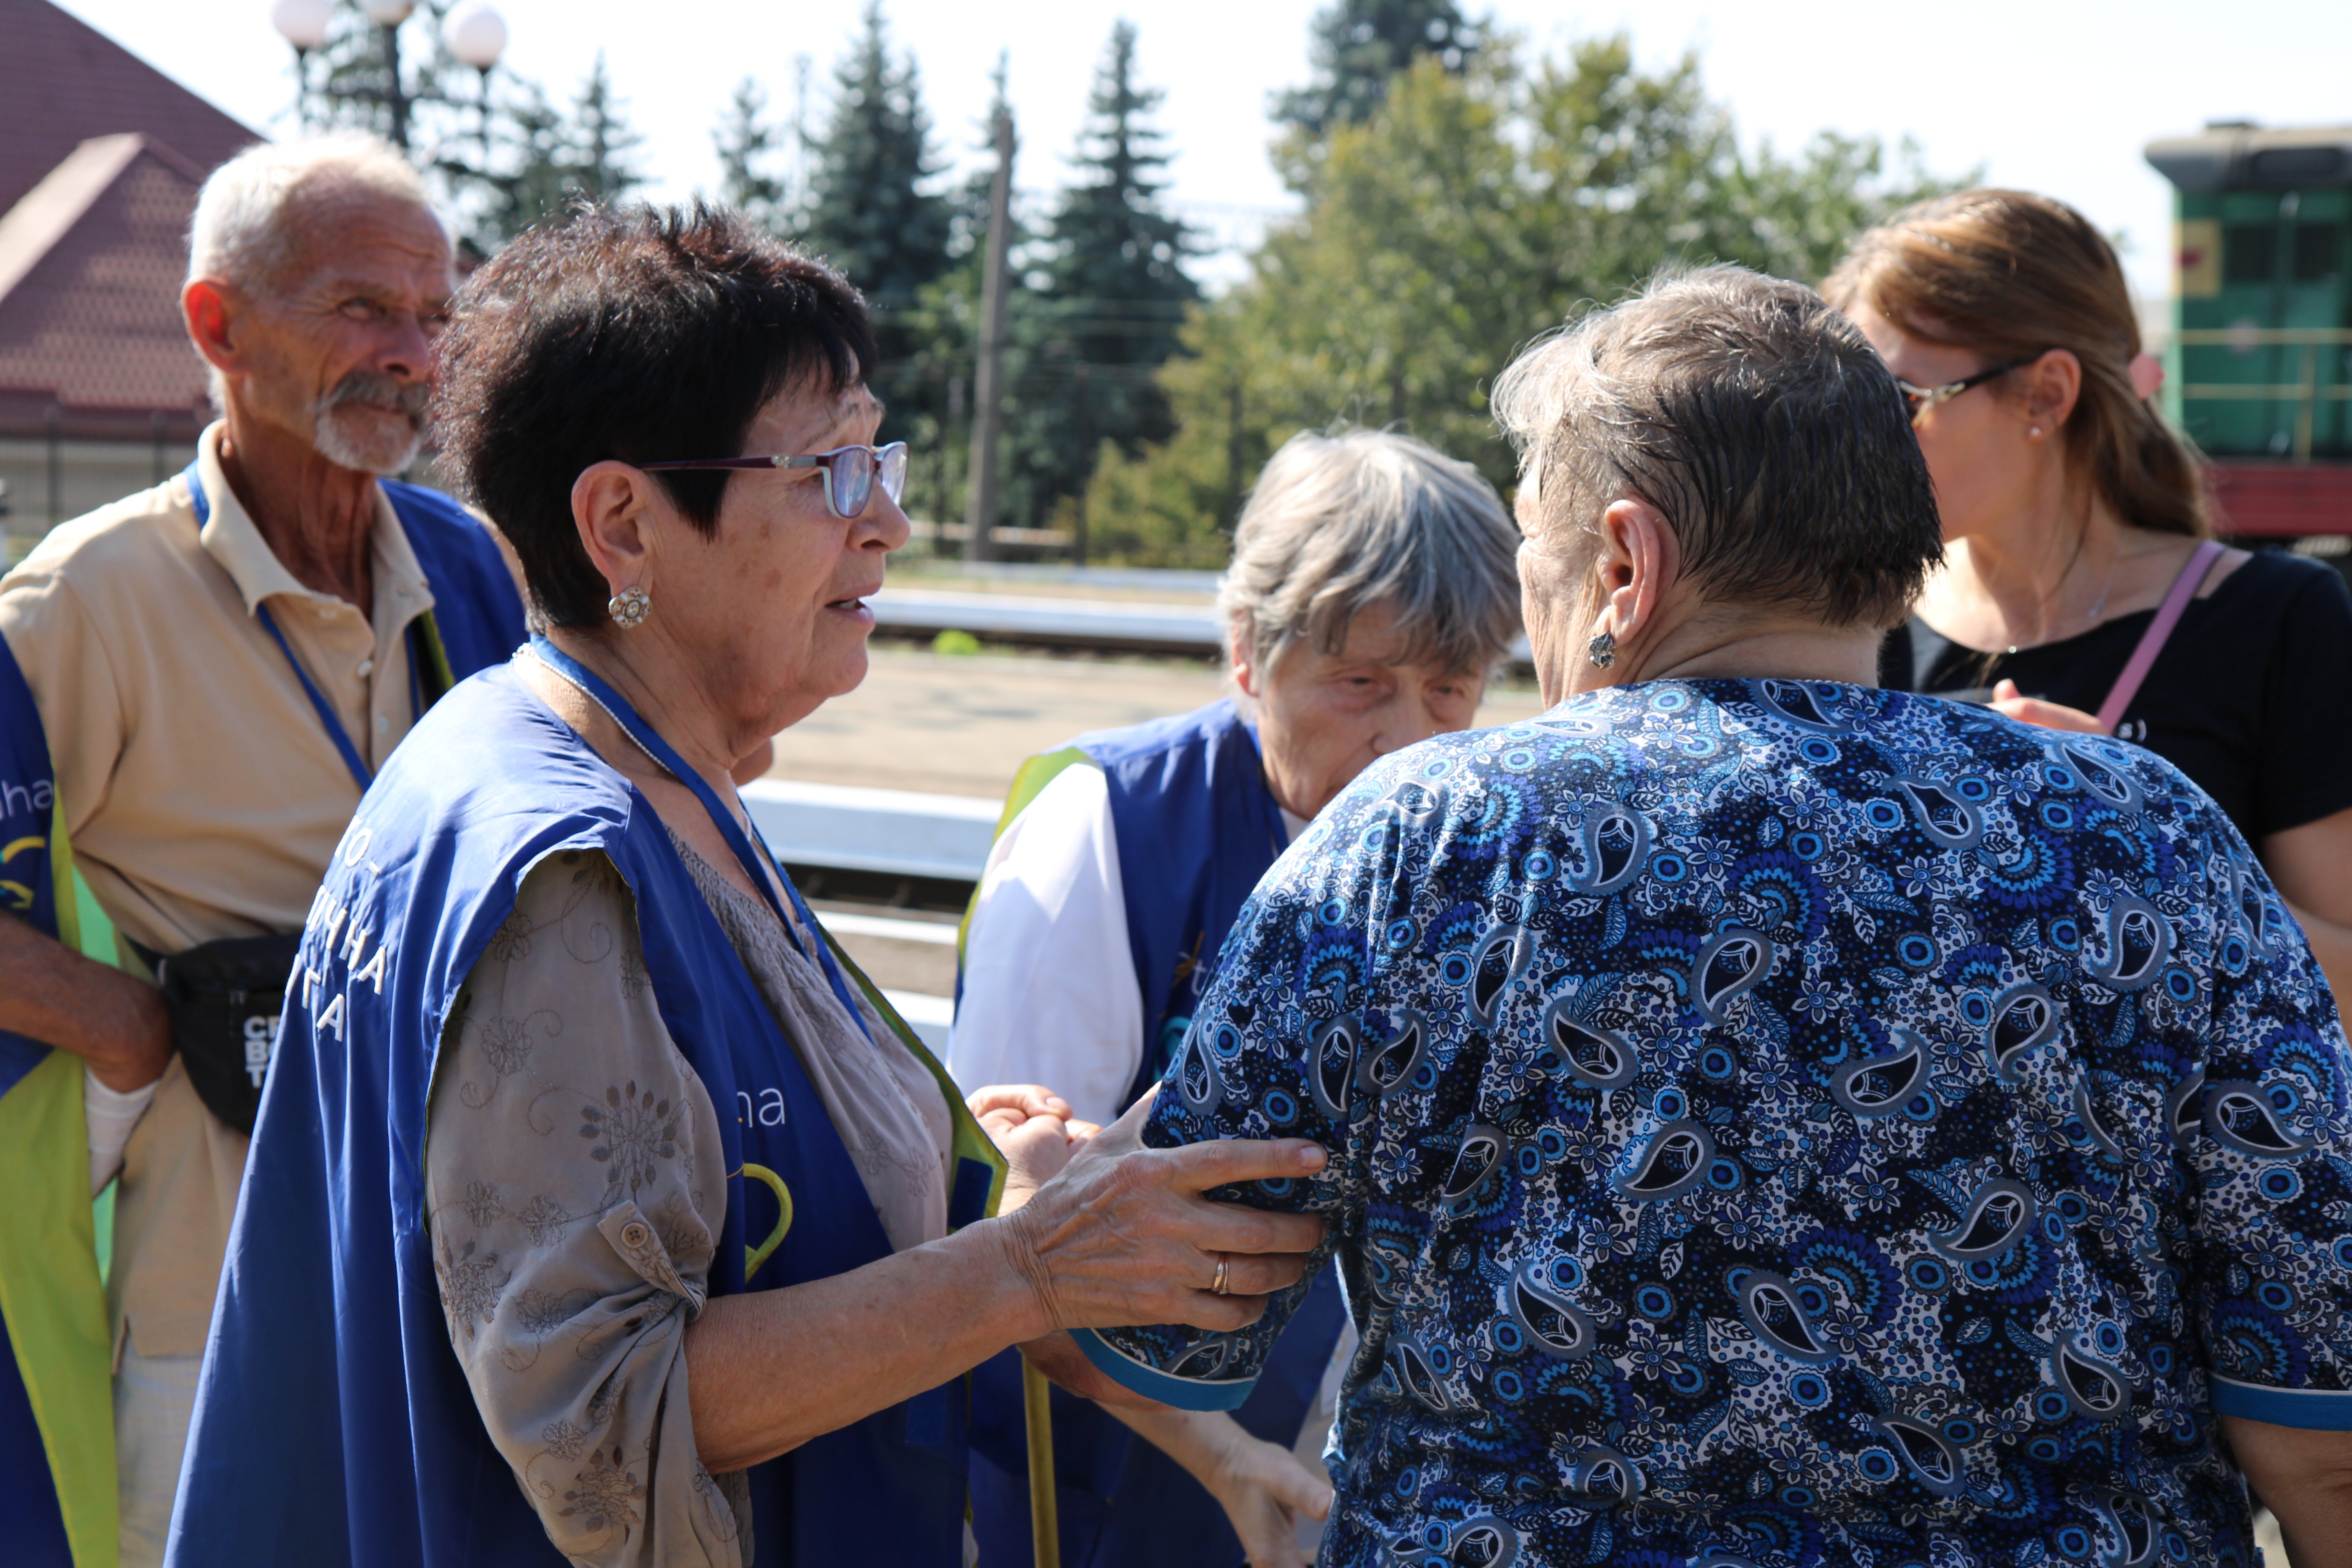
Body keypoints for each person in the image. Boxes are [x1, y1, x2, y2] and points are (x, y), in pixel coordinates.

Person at [1048, 267, 2352, 1564]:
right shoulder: (2154, 833)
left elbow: (1171, 1315)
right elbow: (2321, 1423)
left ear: (1623, 561)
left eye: (1536, 570)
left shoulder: (1418, 840)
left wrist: (1060, 1195)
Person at [163, 205, 1328, 1568]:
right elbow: (605, 1416)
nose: (890, 522)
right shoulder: (561, 866)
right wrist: (1026, 1267)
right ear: (623, 524)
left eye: (879, 455)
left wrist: (960, 1179)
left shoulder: (641, 762)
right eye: (831, 470)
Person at [0, 132, 527, 1568]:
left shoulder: (471, 568)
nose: (413, 354)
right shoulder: (86, 600)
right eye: (364, 307)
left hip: (456, 1272)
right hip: (208, 1290)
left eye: (434, 316)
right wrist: (119, 1026)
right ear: (215, 325)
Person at [952, 428, 1522, 1567]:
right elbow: (1005, 1230)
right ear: (1248, 652)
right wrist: (1220, 1456)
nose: (1409, 736)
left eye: (1450, 688)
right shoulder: (1106, 824)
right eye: (1360, 683)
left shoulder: (1492, 850)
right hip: (1122, 1481)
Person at [1825, 190, 2352, 1020]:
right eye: (1845, 407)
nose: (1860, 443)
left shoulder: (2276, 618)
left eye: (1897, 402)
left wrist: (2142, 836)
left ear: (2046, 396)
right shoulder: (1850, 617)